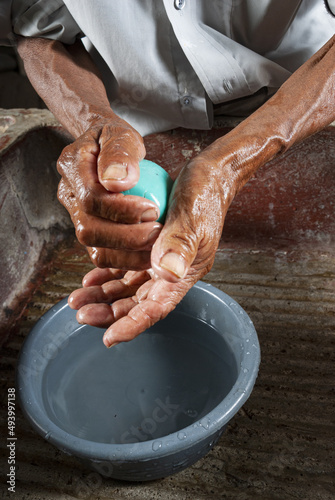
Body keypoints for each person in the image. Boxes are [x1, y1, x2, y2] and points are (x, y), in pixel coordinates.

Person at [1, 1, 335, 347]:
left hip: (306, 106)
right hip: (132, 125)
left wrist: (227, 165)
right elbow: (31, 28)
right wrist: (94, 123)